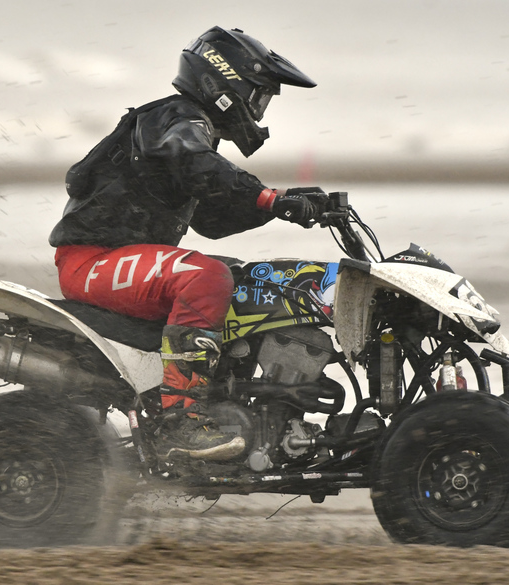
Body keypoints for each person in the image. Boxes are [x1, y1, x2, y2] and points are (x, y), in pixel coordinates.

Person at [49, 26, 327, 458]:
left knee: (244, 276)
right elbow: (200, 165)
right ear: (224, 82)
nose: (258, 108)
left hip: (117, 259)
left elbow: (214, 220)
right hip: (91, 262)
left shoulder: (191, 131)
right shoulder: (174, 118)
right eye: (257, 95)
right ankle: (178, 420)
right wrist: (272, 197)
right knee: (207, 276)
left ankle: (228, 397)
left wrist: (284, 206)